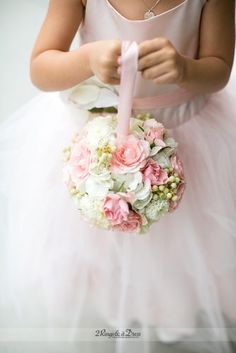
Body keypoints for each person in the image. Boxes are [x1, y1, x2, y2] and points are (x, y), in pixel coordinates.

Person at [0, 0, 235, 352]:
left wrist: (185, 69)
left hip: (184, 132)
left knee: (178, 246)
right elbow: (41, 67)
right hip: (97, 131)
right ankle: (122, 305)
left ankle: (170, 308)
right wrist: (87, 58)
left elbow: (218, 70)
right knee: (105, 243)